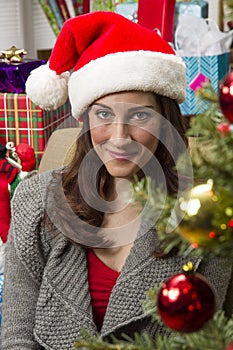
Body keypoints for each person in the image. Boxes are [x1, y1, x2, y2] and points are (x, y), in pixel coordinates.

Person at [1, 11, 233, 350]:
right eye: (103, 114)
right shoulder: (36, 200)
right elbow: (17, 336)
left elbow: (203, 340)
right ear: (86, 119)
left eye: (140, 115)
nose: (119, 137)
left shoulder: (203, 215)